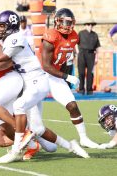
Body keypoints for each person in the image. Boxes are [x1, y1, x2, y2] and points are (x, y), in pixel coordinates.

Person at [0, 10, 89, 163]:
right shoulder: (8, 39)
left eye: (2, 26)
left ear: (11, 26)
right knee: (39, 130)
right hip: (29, 84)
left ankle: (16, 149)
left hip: (36, 80)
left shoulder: (15, 38)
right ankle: (71, 146)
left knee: (19, 105)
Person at [41, 8, 99, 148]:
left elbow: (63, 61)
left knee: (72, 105)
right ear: (57, 21)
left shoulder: (74, 36)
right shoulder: (50, 36)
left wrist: (64, 77)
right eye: (65, 22)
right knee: (30, 113)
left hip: (55, 76)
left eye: (70, 22)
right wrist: (67, 77)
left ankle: (84, 138)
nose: (68, 25)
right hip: (39, 76)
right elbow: (46, 66)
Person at [77, 21, 101, 95]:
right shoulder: (80, 33)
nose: (90, 26)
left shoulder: (95, 35)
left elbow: (97, 47)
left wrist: (97, 57)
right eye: (88, 24)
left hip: (91, 55)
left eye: (91, 25)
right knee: (81, 72)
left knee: (90, 73)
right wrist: (77, 51)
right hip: (82, 54)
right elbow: (75, 43)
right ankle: (81, 89)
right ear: (85, 25)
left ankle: (89, 90)